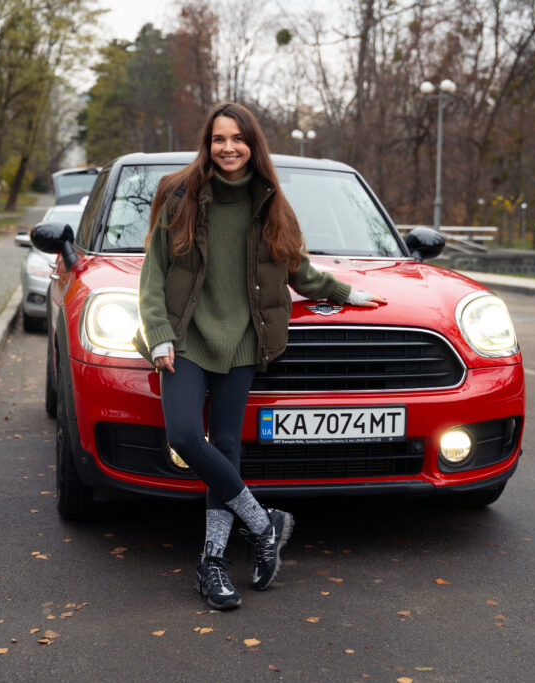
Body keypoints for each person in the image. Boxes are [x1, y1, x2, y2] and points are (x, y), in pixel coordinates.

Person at [137, 102, 384, 610]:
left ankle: (212, 563)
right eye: (218, 139)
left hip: (245, 339)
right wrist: (158, 332)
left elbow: (298, 267)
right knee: (185, 434)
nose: (228, 147)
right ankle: (262, 520)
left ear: (253, 144)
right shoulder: (180, 194)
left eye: (238, 139)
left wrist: (342, 292)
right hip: (186, 338)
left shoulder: (271, 202)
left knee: (226, 445)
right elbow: (154, 270)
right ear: (207, 145)